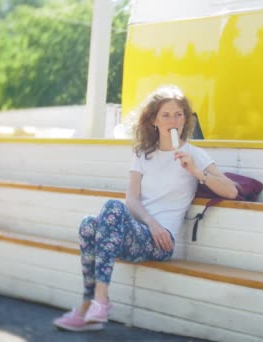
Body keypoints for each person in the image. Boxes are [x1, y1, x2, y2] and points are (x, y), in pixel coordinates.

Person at [53, 85, 238, 331]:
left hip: (163, 242)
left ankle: (98, 303)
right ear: (153, 120)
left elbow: (231, 190)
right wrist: (152, 223)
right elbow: (132, 200)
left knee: (109, 208)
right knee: (89, 223)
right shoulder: (143, 155)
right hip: (139, 229)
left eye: (180, 114)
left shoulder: (195, 154)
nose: (174, 120)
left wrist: (196, 171)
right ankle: (92, 304)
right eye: (167, 115)